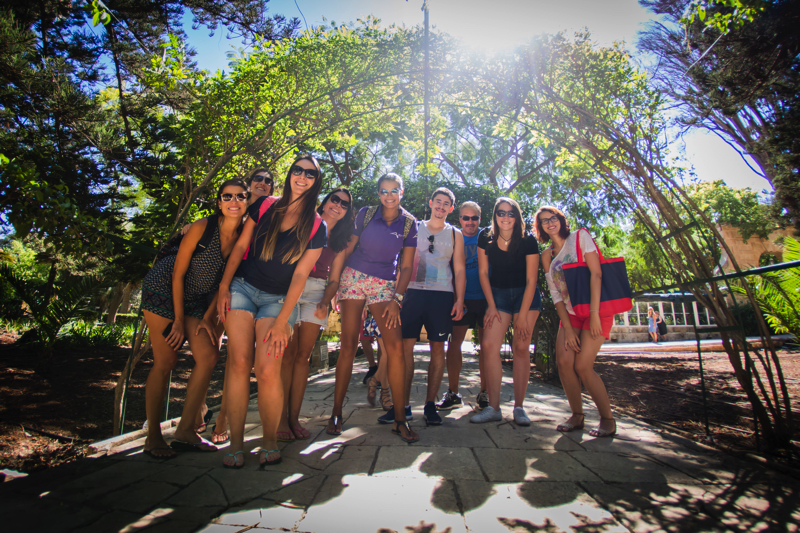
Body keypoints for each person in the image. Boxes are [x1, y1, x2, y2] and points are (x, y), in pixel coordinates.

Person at [216, 155, 326, 468]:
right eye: (297, 170)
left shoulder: (317, 226)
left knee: (266, 370)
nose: (302, 176)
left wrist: (283, 322)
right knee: (239, 362)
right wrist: (224, 286)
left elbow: (301, 275)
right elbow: (240, 247)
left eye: (310, 174)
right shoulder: (265, 205)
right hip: (242, 288)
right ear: (290, 174)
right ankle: (236, 444)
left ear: (316, 181)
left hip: (278, 300)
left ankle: (269, 440)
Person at [140, 179, 247, 459]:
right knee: (166, 360)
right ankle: (153, 437)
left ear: (247, 201)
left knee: (209, 356)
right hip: (164, 288)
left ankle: (186, 430)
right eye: (227, 196)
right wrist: (177, 320)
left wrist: (206, 318)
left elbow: (225, 283)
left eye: (240, 196)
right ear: (219, 202)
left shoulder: (244, 237)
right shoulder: (202, 227)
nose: (234, 201)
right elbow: (177, 273)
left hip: (197, 298)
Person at [330, 173, 419, 443]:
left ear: (402, 192)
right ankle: (336, 413)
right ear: (378, 193)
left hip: (384, 285)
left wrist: (397, 299)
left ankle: (400, 419)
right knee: (348, 344)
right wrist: (334, 285)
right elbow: (347, 249)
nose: (389, 195)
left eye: (394, 190)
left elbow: (406, 266)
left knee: (395, 348)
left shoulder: (409, 223)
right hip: (354, 277)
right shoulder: (366, 214)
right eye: (384, 190)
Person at [276, 188, 355, 442]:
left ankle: (293, 418)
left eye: (344, 204)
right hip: (289, 287)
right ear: (325, 201)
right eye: (335, 199)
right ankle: (279, 419)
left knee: (303, 357)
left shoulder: (340, 241)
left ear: (347, 212)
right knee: (287, 356)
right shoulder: (305, 221)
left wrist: (324, 301)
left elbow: (335, 278)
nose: (338, 205)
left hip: (317, 293)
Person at [536, 206, 616, 438]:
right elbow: (555, 293)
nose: (550, 223)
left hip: (596, 310)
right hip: (571, 313)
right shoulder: (546, 256)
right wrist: (569, 330)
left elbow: (596, 274)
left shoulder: (580, 237)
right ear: (540, 227)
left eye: (553, 218)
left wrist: (594, 314)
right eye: (544, 221)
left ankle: (607, 419)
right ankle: (577, 416)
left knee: (582, 366)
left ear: (561, 220)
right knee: (563, 362)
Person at [389, 187, 465, 427]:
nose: (441, 206)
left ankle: (430, 405)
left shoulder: (455, 234)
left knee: (438, 349)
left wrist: (459, 300)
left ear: (451, 208)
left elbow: (459, 269)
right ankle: (403, 406)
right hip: (411, 293)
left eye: (446, 204)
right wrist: (395, 294)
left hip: (441, 295)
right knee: (405, 348)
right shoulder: (414, 226)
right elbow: (400, 261)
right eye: (438, 202)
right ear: (431, 203)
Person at [211, 168, 274, 445]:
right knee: (220, 355)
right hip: (220, 283)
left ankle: (222, 417)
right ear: (249, 185)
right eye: (258, 179)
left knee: (239, 360)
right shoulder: (235, 210)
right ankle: (204, 413)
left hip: (248, 285)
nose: (263, 183)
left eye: (268, 181)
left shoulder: (269, 213)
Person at [471, 197, 541, 425]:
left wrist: (522, 315)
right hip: (498, 295)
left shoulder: (528, 240)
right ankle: (493, 407)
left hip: (525, 295)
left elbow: (532, 280)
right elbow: (483, 273)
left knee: (521, 346)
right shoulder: (485, 236)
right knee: (489, 345)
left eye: (511, 213)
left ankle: (519, 408)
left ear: (517, 217)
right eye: (501, 212)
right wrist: (491, 305)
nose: (506, 217)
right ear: (495, 215)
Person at [442, 201, 489, 411]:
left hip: (486, 299)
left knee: (487, 347)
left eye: (474, 218)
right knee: (454, 345)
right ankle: (453, 393)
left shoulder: (488, 237)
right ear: (460, 219)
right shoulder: (453, 237)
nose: (470, 222)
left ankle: (485, 392)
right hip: (461, 298)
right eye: (466, 218)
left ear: (480, 218)